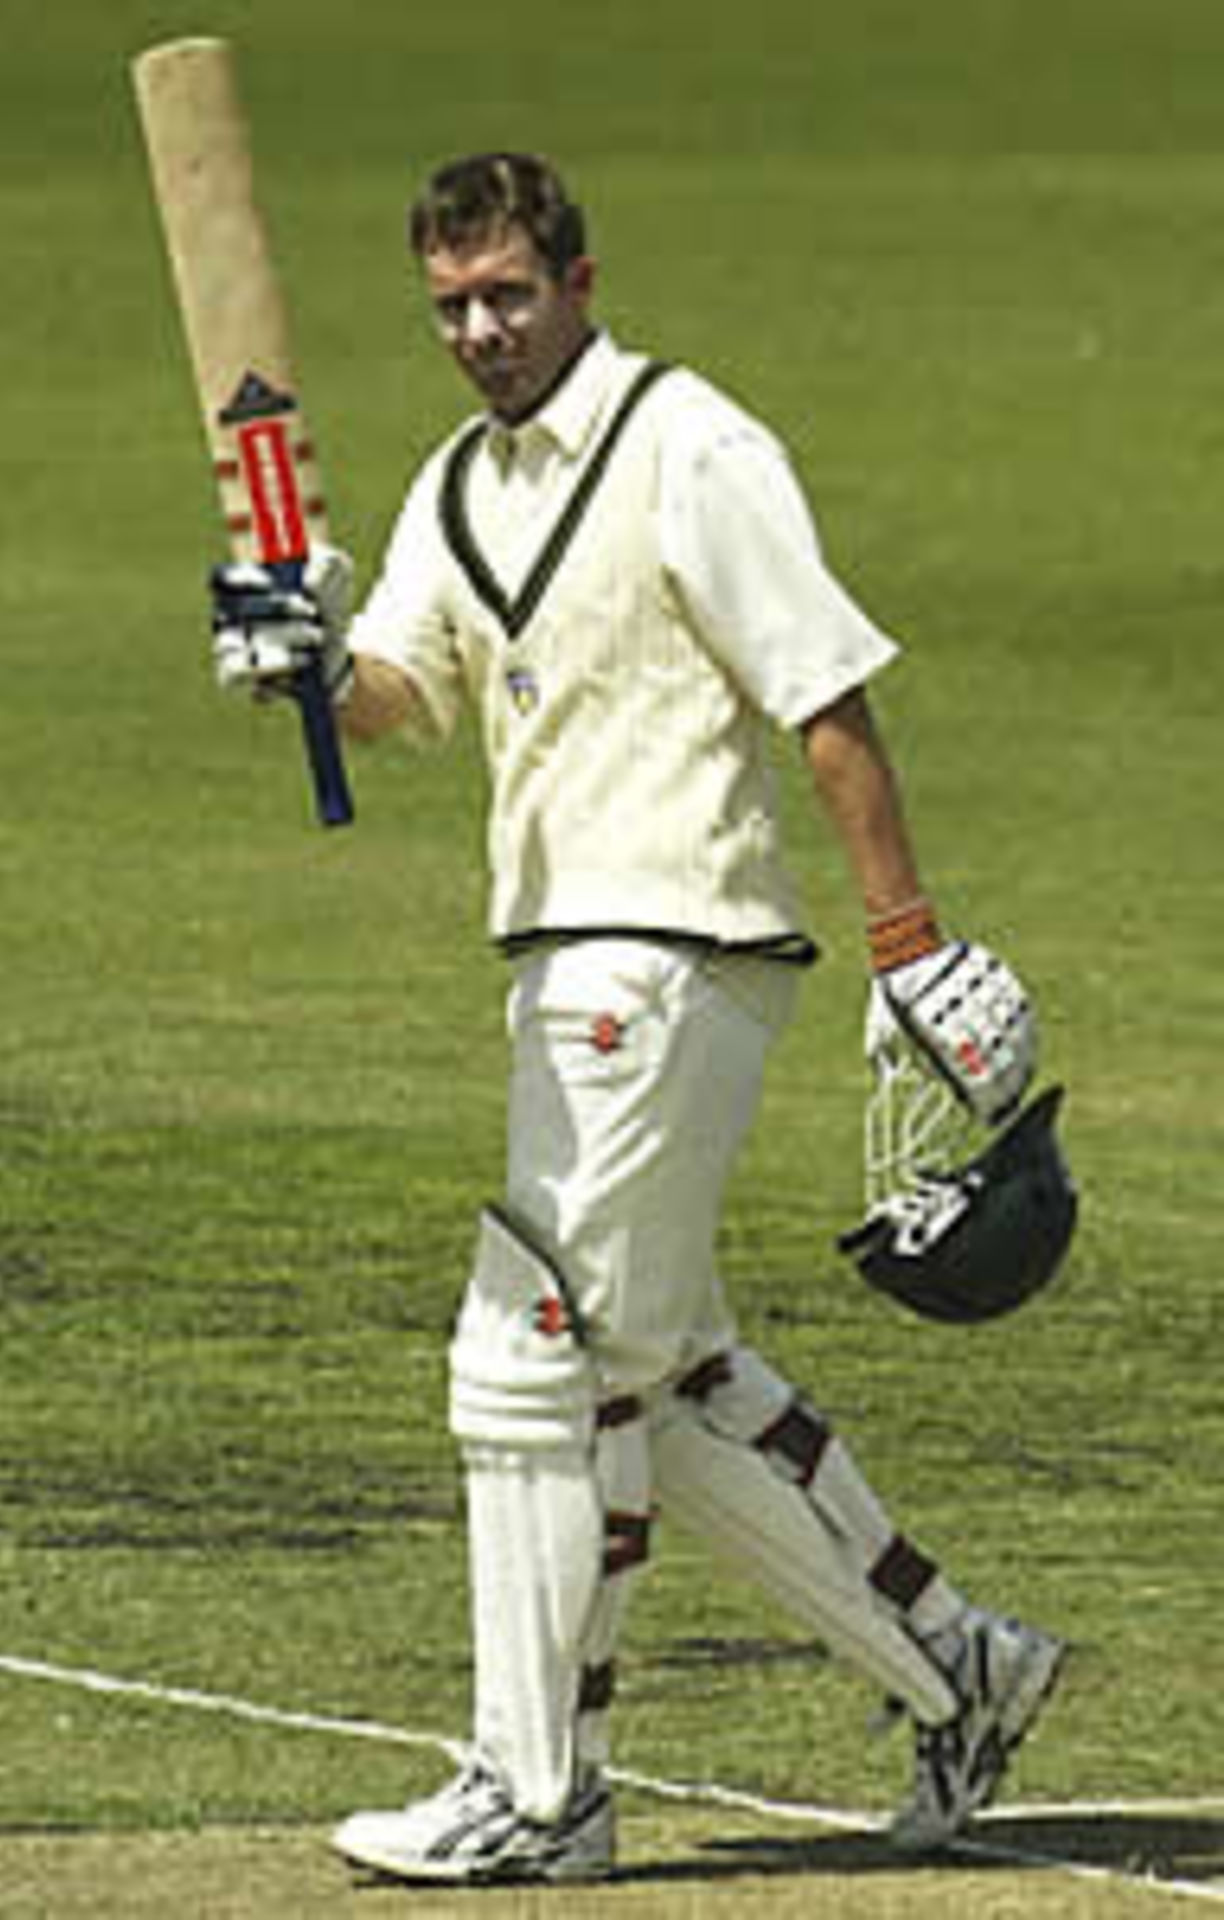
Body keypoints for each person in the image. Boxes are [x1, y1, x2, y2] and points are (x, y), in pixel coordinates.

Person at [210, 152, 1065, 1886]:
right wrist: (303, 656)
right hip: (560, 961)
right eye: (452, 303)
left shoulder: (690, 444)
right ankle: (959, 1665)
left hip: (676, 951)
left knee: (527, 1362)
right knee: (652, 1379)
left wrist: (909, 946)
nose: (482, 328)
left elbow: (827, 702)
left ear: (581, 284)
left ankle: (541, 1796)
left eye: (510, 293)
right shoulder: (462, 484)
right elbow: (399, 701)